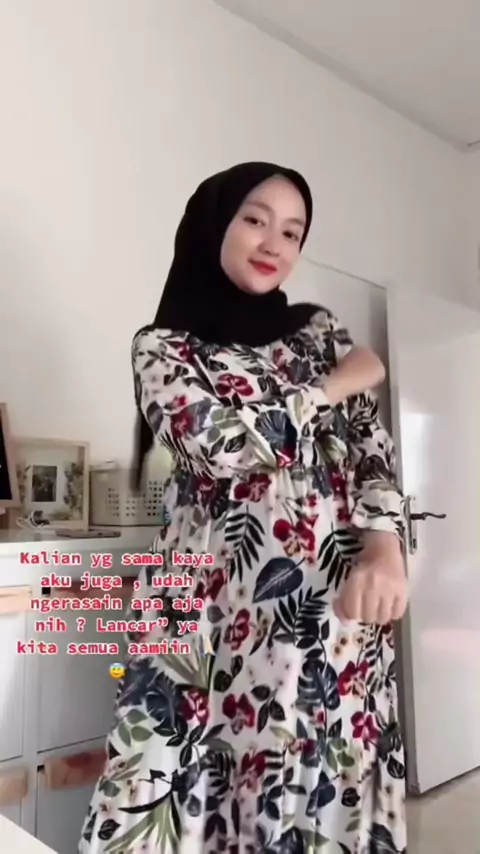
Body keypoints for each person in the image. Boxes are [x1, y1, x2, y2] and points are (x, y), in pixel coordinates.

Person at [79, 162, 408, 854]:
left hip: (327, 615)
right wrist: (327, 390)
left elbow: (370, 450)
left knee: (312, 790)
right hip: (208, 612)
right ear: (214, 223)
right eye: (255, 219)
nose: (273, 243)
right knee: (169, 788)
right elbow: (218, 445)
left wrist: (387, 547)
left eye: (292, 232)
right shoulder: (162, 348)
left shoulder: (318, 333)